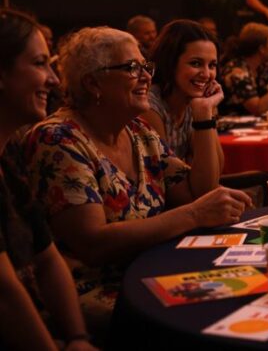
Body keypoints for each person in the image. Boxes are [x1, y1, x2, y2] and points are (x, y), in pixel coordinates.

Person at [22, 27, 252, 325]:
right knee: (216, 317)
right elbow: (93, 245)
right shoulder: (57, 139)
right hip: (96, 292)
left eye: (146, 66)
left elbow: (200, 192)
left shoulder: (139, 133)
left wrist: (204, 112)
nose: (146, 77)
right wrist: (194, 215)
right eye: (132, 68)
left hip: (156, 270)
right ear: (93, 83)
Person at [0, 10, 96, 350]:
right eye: (40, 63)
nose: (54, 79)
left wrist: (78, 337)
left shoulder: (8, 156)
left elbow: (46, 257)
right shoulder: (54, 137)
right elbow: (5, 295)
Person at [143, 20, 224, 168]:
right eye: (196, 63)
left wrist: (207, 110)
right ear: (171, 63)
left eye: (212, 65)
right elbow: (166, 181)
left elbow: (217, 169)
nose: (207, 74)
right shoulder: (150, 107)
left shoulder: (193, 103)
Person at [219, 23, 268, 116]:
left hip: (260, 127)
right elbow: (258, 109)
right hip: (237, 128)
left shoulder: (264, 69)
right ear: (262, 49)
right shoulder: (237, 71)